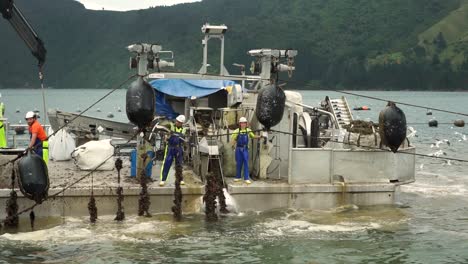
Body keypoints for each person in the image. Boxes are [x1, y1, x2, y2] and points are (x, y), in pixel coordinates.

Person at [231, 117, 261, 184]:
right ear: (240, 124)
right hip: (238, 149)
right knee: (239, 163)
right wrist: (232, 146)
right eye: (242, 123)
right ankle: (238, 177)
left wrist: (259, 137)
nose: (243, 124)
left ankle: (246, 178)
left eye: (244, 123)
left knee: (246, 163)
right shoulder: (236, 131)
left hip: (245, 149)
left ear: (246, 123)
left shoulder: (248, 130)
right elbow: (233, 139)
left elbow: (253, 136)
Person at [160, 114, 186, 186]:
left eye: (179, 122)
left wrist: (173, 134)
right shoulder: (171, 125)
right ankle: (163, 180)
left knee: (179, 164)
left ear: (182, 123)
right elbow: (164, 127)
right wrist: (166, 135)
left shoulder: (184, 129)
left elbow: (182, 136)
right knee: (167, 163)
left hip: (178, 148)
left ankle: (180, 179)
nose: (177, 122)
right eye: (177, 121)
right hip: (170, 148)